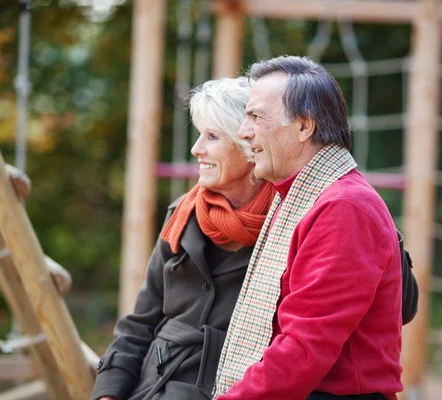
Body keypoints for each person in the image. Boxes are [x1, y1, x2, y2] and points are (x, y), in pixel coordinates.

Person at [213, 56, 405, 400]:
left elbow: (304, 350)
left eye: (256, 116)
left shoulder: (344, 207)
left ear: (304, 127)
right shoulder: (296, 195)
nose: (243, 131)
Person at [91, 77, 276, 400]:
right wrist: (108, 393)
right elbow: (139, 324)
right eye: (199, 134)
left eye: (212, 137)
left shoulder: (292, 221)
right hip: (151, 387)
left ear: (249, 148)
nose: (196, 149)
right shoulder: (183, 214)